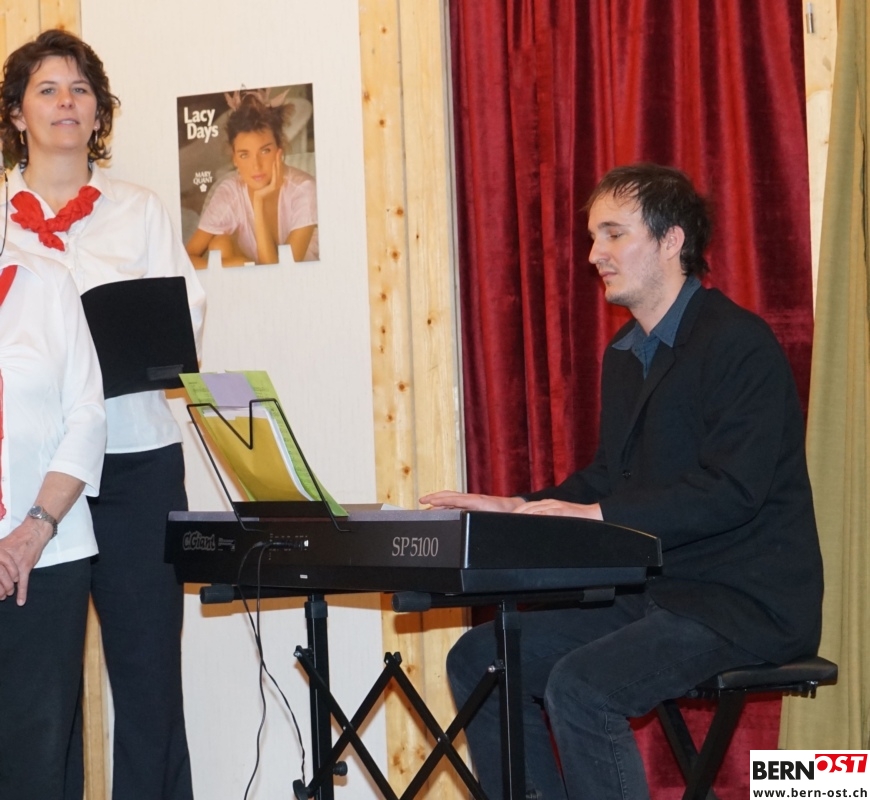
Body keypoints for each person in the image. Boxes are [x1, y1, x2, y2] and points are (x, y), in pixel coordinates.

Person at [421, 163, 824, 799]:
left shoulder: (738, 343)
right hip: (659, 593)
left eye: (613, 234)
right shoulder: (625, 354)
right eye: (592, 238)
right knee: (481, 659)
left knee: (583, 687)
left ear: (671, 241)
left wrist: (599, 515)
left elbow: (732, 490)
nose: (594, 255)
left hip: (742, 602)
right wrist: (518, 505)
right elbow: (611, 477)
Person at [0, 30, 206, 800]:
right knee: (40, 691)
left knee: (149, 678)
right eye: (48, 88)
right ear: (17, 113)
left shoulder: (140, 209)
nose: (67, 102)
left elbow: (185, 319)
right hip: (30, 483)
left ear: (99, 111)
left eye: (81, 89)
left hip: (133, 461)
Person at [0, 238, 106, 800]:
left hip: (48, 557)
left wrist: (31, 531)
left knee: (38, 764)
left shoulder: (49, 282)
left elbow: (87, 415)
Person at [185, 90, 319, 266]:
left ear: (280, 149)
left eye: (265, 151)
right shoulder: (230, 191)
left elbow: (281, 274)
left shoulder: (304, 189)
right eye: (244, 155)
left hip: (298, 279)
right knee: (220, 244)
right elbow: (186, 258)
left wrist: (258, 202)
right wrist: (237, 264)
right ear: (234, 158)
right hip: (255, 275)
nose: (256, 166)